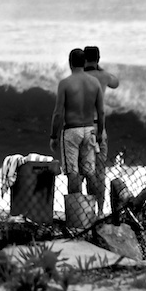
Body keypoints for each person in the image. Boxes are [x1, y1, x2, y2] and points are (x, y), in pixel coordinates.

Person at [50, 48, 104, 195]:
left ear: (70, 63)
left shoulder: (65, 83)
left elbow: (58, 113)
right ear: (85, 62)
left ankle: (76, 210)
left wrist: (54, 136)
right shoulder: (95, 83)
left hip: (72, 131)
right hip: (90, 129)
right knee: (90, 171)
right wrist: (99, 133)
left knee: (73, 172)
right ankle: (91, 210)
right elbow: (101, 112)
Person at [84, 46, 120, 215]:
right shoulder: (103, 76)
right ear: (98, 58)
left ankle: (86, 209)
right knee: (100, 171)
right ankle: (99, 210)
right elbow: (116, 82)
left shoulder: (79, 77)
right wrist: (101, 69)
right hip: (99, 126)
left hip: (81, 126)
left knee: (84, 171)